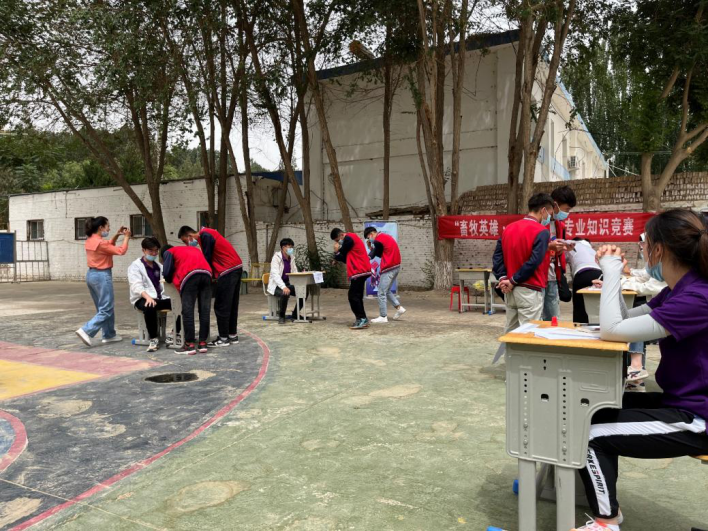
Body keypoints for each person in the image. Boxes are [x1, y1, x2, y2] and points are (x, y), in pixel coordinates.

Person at [572, 209, 708, 531]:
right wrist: (612, 277)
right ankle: (603, 503)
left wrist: (611, 270)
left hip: (699, 418)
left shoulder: (697, 297)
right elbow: (624, 320)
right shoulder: (678, 291)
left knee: (587, 434)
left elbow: (612, 330)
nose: (642, 250)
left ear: (658, 249)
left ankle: (606, 521)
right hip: (681, 401)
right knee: (590, 409)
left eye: (644, 243)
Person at [493, 193, 566, 334]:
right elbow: (534, 262)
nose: (549, 218)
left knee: (511, 332)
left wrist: (503, 278)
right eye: (550, 213)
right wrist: (513, 280)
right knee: (529, 334)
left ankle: (508, 350)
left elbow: (497, 257)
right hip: (530, 290)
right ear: (543, 210)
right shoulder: (542, 232)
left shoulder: (508, 228)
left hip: (509, 290)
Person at [178, 226, 243, 347]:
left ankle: (223, 338)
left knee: (221, 306)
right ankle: (232, 335)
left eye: (185, 241)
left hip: (227, 270)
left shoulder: (205, 235)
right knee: (231, 305)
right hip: (236, 268)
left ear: (189, 236)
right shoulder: (208, 233)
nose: (187, 244)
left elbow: (207, 258)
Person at [75, 217, 130, 346]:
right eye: (107, 226)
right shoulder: (100, 243)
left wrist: (117, 234)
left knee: (103, 307)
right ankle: (86, 330)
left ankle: (109, 334)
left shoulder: (90, 240)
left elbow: (108, 244)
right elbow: (121, 251)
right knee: (106, 308)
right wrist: (127, 237)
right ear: (101, 227)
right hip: (102, 275)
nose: (109, 229)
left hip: (91, 275)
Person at [160, 243, 212, 356]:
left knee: (188, 311)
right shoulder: (192, 249)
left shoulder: (168, 252)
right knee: (204, 311)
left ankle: (189, 344)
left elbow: (167, 274)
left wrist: (170, 276)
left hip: (190, 276)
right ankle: (202, 343)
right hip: (207, 274)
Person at [128, 237, 174, 352]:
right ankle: (153, 338)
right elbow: (136, 286)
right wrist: (148, 297)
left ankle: (174, 333)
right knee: (149, 305)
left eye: (156, 250)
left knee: (180, 304)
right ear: (143, 250)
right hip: (141, 298)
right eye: (151, 251)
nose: (154, 253)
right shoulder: (135, 266)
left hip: (159, 298)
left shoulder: (159, 266)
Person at [542, 185, 577, 321]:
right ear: (555, 204)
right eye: (566, 209)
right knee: (537, 317)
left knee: (553, 318)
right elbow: (532, 247)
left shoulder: (559, 225)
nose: (567, 213)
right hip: (538, 276)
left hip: (553, 275)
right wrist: (549, 247)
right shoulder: (540, 222)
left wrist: (564, 248)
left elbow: (556, 250)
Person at [331, 228, 372, 329]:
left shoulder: (349, 238)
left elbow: (343, 251)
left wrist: (337, 251)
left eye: (337, 240)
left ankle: (361, 319)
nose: (338, 243)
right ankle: (363, 319)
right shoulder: (350, 242)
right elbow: (345, 258)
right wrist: (337, 255)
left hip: (359, 270)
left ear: (341, 235)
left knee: (353, 296)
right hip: (360, 271)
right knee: (357, 296)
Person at [364, 227, 406, 323]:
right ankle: (399, 308)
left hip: (389, 268)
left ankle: (383, 316)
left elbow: (375, 251)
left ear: (371, 234)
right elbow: (380, 253)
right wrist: (371, 248)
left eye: (368, 238)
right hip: (396, 266)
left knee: (381, 292)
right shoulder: (385, 237)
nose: (369, 240)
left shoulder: (379, 239)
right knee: (386, 291)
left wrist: (369, 255)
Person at [267, 238, 305, 324]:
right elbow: (275, 275)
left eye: (292, 247)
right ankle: (281, 316)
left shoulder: (291, 258)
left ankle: (295, 314)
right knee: (285, 293)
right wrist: (283, 287)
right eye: (289, 247)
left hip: (288, 283)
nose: (291, 249)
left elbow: (294, 272)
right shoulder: (276, 258)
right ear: (283, 247)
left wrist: (301, 274)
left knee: (304, 291)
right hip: (276, 286)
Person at [567, 237, 602, 323]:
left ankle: (579, 327)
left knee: (579, 306)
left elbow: (560, 260)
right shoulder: (591, 249)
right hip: (599, 274)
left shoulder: (570, 247)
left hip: (582, 274)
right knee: (600, 304)